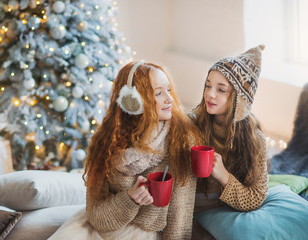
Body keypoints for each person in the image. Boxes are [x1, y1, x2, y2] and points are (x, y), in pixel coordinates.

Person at [48, 61, 201, 240]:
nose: (170, 99)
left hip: (144, 234)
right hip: (100, 228)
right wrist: (129, 199)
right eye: (159, 93)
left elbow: (180, 213)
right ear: (132, 101)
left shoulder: (181, 138)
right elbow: (97, 216)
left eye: (168, 90)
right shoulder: (105, 141)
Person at [190, 45, 269, 238]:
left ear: (239, 99)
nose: (210, 94)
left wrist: (223, 175)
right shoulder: (191, 123)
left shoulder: (254, 139)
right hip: (190, 204)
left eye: (221, 89)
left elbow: (255, 197)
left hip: (223, 210)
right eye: (208, 86)